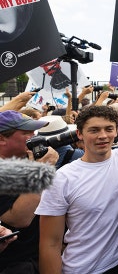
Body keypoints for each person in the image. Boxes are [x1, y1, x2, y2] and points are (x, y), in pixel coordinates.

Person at [36, 105, 118, 273]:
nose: (103, 136)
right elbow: (50, 243)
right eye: (94, 130)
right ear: (79, 134)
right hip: (83, 269)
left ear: (116, 130)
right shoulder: (62, 179)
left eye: (108, 129)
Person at [0, 111, 56, 273]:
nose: (34, 137)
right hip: (13, 264)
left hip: (41, 254)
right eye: (26, 133)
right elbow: (19, 219)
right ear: (2, 138)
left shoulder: (29, 159)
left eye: (34, 131)